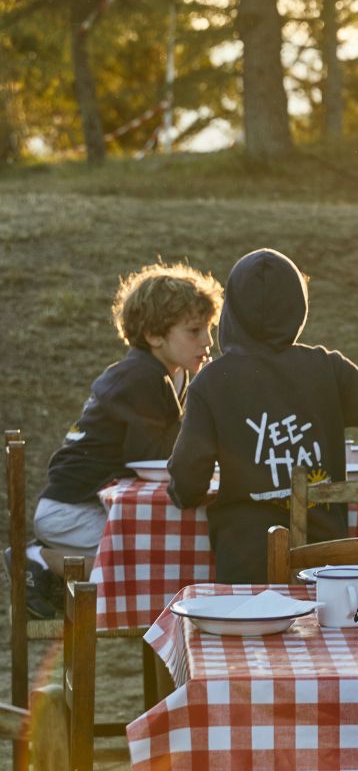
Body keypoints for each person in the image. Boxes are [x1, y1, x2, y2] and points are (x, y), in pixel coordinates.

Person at [168, 247, 358, 583]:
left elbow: (187, 484)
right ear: (298, 309)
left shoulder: (213, 381)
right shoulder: (325, 368)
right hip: (326, 564)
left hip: (245, 563)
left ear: (232, 311)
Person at [20, 262, 223, 617]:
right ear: (154, 336)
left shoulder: (170, 374)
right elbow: (155, 456)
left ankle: (53, 567)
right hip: (70, 510)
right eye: (194, 331)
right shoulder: (141, 378)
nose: (207, 341)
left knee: (162, 553)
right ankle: (36, 559)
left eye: (209, 328)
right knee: (147, 559)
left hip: (88, 504)